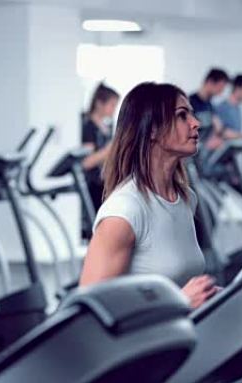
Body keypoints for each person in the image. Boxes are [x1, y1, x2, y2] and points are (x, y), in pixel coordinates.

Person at [80, 82, 218, 310]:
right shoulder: (124, 212)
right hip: (144, 344)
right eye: (182, 116)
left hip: (185, 336)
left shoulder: (185, 199)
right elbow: (90, 311)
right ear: (152, 129)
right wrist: (178, 303)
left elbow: (183, 286)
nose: (196, 124)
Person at [81, 83, 120, 239]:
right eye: (111, 105)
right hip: (93, 186)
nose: (113, 109)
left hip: (105, 183)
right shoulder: (89, 127)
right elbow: (86, 162)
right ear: (99, 103)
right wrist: (109, 150)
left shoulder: (106, 128)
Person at [189, 68, 229, 155]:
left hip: (202, 156)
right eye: (220, 87)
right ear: (210, 82)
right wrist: (205, 145)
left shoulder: (210, 106)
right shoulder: (188, 103)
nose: (221, 92)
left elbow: (220, 129)